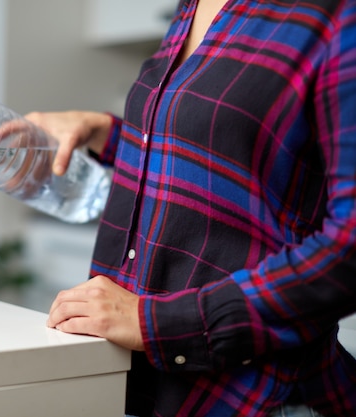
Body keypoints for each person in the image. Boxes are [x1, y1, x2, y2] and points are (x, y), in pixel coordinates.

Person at [26, 0, 356, 416]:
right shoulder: (190, 7)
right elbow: (228, 148)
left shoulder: (337, 13)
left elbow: (349, 249)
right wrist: (107, 131)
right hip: (143, 390)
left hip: (254, 398)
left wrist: (160, 323)